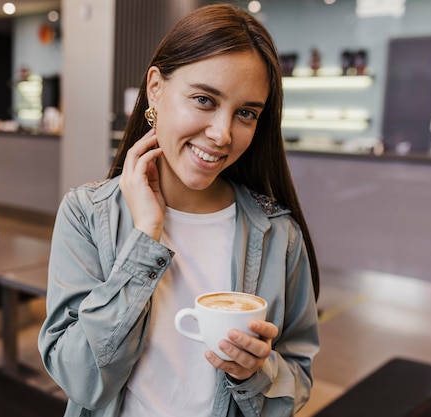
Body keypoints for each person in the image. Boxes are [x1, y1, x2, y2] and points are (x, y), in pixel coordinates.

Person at [38, 4, 320, 416]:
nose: (223, 134)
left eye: (245, 113)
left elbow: (298, 378)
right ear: (156, 88)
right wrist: (145, 236)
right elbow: (81, 380)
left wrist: (254, 373)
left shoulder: (279, 234)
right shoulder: (86, 214)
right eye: (205, 99)